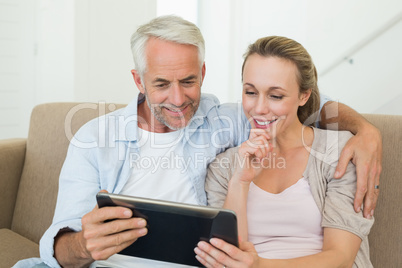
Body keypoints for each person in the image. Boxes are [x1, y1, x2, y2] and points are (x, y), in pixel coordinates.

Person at [15, 16, 380, 268]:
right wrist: (82, 245)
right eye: (161, 84)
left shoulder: (229, 120)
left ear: (203, 73)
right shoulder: (94, 139)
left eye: (188, 81)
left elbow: (311, 107)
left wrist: (367, 131)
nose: (177, 99)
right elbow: (59, 241)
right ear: (138, 80)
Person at [195, 36, 374, 267]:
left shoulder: (339, 152)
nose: (259, 108)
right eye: (250, 92)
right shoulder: (223, 167)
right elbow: (227, 255)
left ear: (304, 95)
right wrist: (240, 181)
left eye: (275, 96)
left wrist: (259, 265)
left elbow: (340, 258)